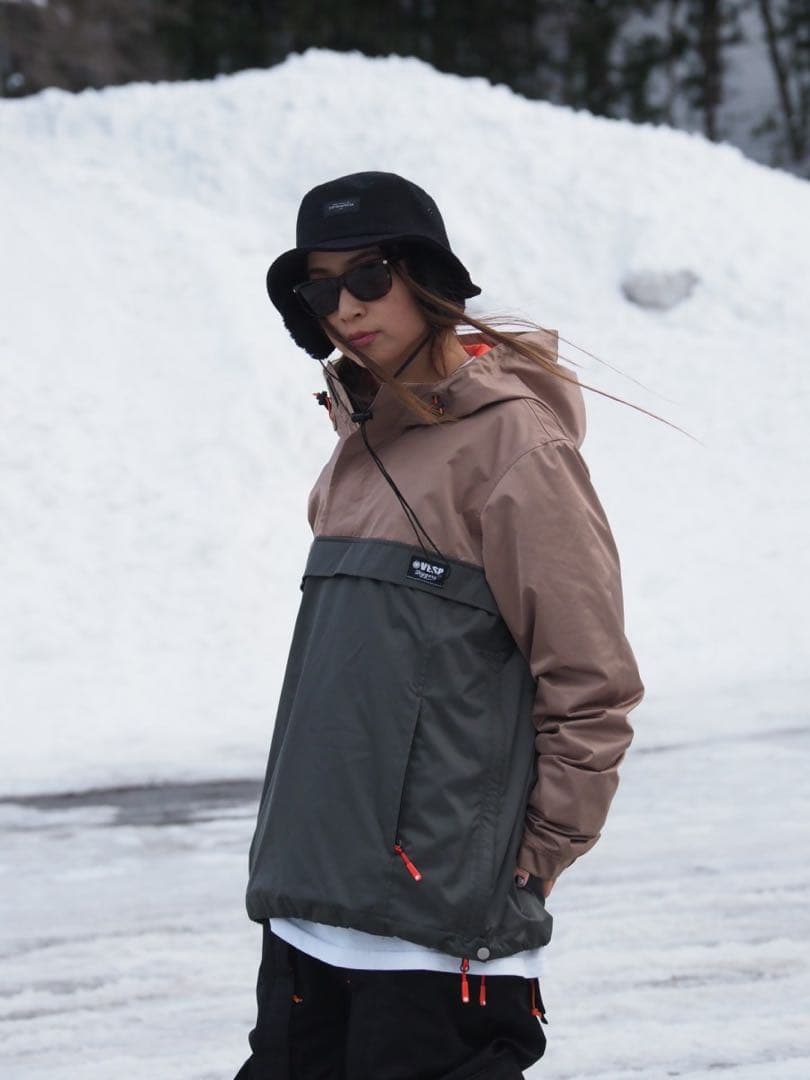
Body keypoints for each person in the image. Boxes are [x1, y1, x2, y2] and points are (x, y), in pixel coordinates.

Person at [235, 171, 644, 1080]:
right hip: (310, 908)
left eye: (368, 276)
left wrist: (533, 858)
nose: (346, 307)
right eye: (320, 289)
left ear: (424, 277)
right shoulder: (360, 443)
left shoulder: (515, 448)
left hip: (434, 931)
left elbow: (591, 682)